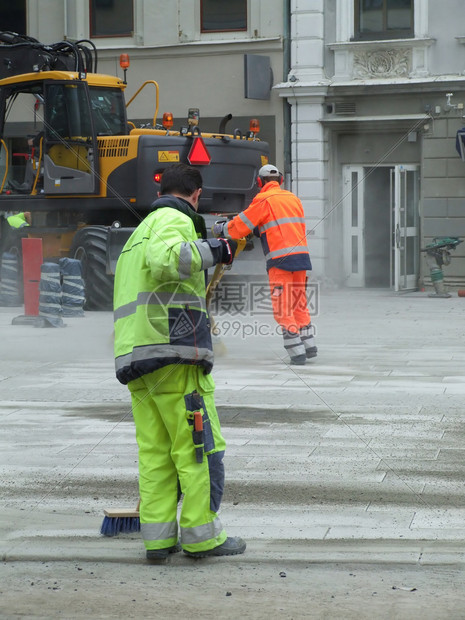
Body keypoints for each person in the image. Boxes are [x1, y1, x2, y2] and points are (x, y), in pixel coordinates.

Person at [113, 163, 246, 561]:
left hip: (137, 359)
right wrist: (218, 249)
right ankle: (202, 538)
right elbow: (169, 259)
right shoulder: (173, 218)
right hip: (173, 354)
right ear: (195, 194)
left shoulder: (136, 234)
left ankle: (158, 541)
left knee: (155, 454)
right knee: (197, 450)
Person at [213, 164, 316, 365]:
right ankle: (309, 345)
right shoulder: (293, 199)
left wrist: (221, 228)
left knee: (282, 305)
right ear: (280, 181)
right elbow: (281, 225)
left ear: (259, 183)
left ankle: (296, 353)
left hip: (280, 261)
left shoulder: (263, 200)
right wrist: (261, 230)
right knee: (298, 301)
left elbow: (239, 227)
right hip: (301, 257)